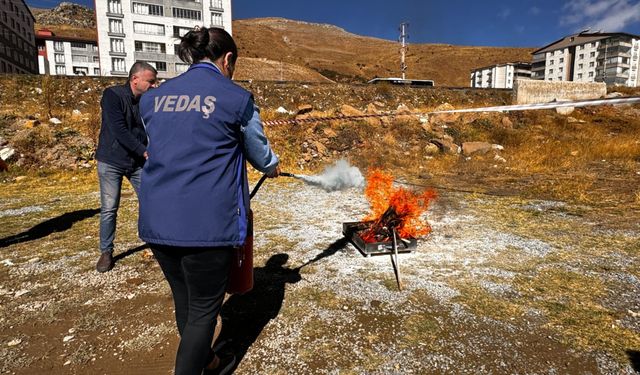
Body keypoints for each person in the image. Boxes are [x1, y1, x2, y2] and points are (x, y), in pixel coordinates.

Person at [138, 27, 280, 375]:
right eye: (234, 65)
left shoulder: (152, 98)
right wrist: (273, 166)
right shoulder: (236, 98)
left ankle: (208, 360)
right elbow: (261, 155)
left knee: (184, 300)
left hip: (157, 221)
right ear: (227, 59)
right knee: (203, 310)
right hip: (206, 226)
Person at [95, 62, 158, 273]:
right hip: (111, 160)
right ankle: (106, 252)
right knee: (110, 207)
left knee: (151, 200)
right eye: (151, 81)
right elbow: (119, 130)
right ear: (135, 79)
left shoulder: (147, 101)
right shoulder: (112, 95)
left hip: (136, 163)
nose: (154, 85)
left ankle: (156, 242)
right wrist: (144, 151)